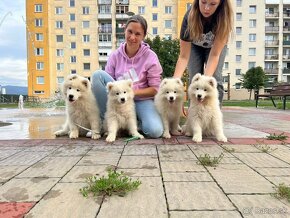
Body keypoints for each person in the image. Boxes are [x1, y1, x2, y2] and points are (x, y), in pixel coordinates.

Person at [91, 15, 163, 138]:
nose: (132, 37)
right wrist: (120, 93)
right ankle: (107, 123)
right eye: (129, 31)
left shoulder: (150, 57)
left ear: (143, 36)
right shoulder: (115, 55)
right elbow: (109, 85)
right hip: (118, 99)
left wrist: (132, 93)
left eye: (137, 34)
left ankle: (136, 123)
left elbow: (155, 89)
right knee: (98, 75)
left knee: (155, 131)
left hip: (142, 100)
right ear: (125, 30)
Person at [173, 0, 233, 103]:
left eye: (213, 4)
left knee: (214, 80)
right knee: (195, 80)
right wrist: (174, 85)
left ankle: (213, 116)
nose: (206, 8)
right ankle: (194, 114)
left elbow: (214, 55)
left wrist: (205, 81)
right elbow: (183, 57)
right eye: (203, 2)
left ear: (220, 4)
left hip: (214, 48)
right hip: (194, 46)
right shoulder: (189, 17)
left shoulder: (224, 19)